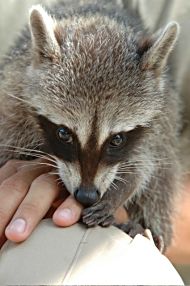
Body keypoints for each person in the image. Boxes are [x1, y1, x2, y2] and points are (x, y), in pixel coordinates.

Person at [0, 0, 190, 284]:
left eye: (116, 141)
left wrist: (119, 215)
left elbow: (145, 168)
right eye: (64, 135)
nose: (86, 185)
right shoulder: (20, 92)